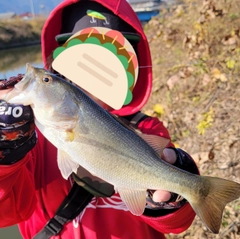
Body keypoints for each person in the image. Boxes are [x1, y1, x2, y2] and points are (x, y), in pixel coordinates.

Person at [0, 0, 199, 238]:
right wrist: (5, 155)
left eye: (111, 60)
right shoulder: (29, 139)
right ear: (58, 62)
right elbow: (7, 214)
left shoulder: (147, 127)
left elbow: (176, 225)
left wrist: (173, 197)